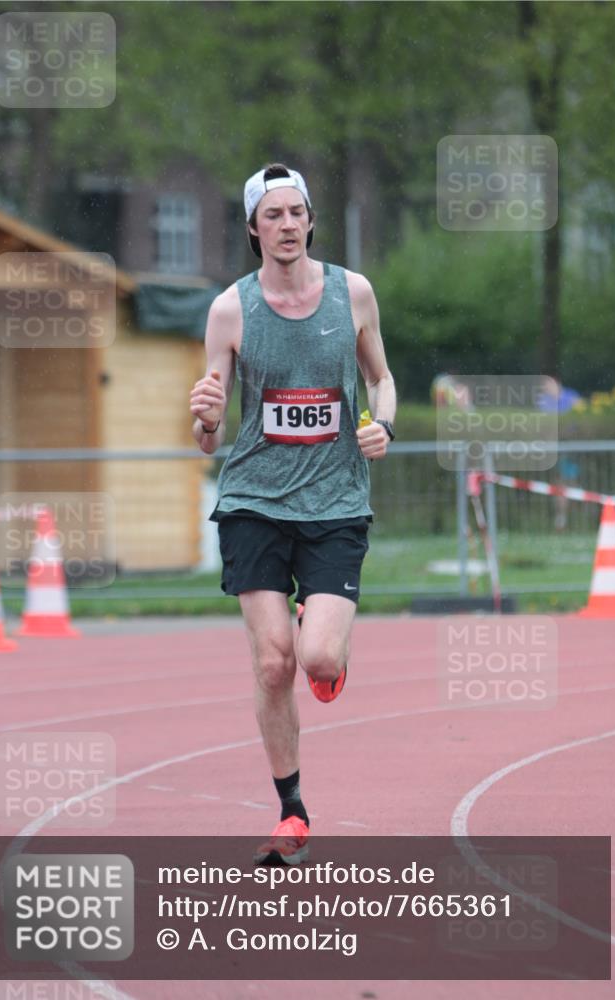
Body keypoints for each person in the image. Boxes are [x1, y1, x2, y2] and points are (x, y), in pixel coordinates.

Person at [190, 163, 396, 864]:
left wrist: (384, 427)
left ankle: (321, 635)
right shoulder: (229, 310)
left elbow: (381, 378)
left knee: (317, 657)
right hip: (253, 500)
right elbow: (208, 433)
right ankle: (291, 810)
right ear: (252, 228)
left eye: (294, 213)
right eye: (270, 215)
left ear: (311, 220)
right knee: (273, 663)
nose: (285, 225)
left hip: (336, 501)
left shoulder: (353, 293)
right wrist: (205, 421)